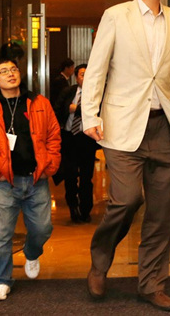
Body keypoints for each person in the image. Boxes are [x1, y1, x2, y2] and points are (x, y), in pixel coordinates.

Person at [81, 0, 170, 312]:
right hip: (121, 125)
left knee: (161, 213)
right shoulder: (116, 15)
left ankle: (152, 284)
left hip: (164, 128)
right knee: (127, 200)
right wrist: (90, 115)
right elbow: (97, 68)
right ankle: (100, 262)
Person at [0, 47, 61, 301]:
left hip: (36, 179)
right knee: (1, 235)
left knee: (43, 229)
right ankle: (1, 281)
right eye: (3, 71)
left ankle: (31, 253)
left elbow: (54, 136)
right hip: (5, 182)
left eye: (13, 69)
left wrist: (49, 165)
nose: (10, 74)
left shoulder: (39, 102)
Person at [54, 64, 98, 223]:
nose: (85, 78)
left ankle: (86, 209)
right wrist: (68, 109)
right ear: (76, 77)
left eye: (88, 74)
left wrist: (77, 109)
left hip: (86, 140)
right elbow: (56, 110)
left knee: (86, 177)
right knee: (70, 176)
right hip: (69, 139)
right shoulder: (68, 92)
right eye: (82, 75)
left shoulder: (96, 94)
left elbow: (98, 113)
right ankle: (73, 207)